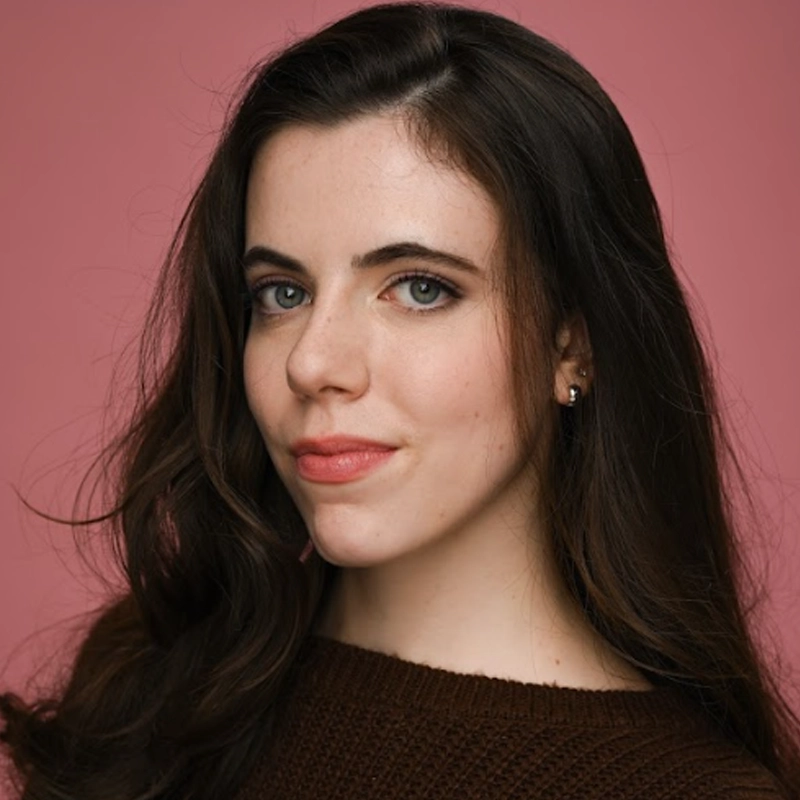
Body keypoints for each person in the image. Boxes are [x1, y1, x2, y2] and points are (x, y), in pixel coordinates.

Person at [1, 2, 798, 798]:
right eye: (281, 293)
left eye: (419, 288)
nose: (312, 362)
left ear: (572, 346)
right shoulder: (151, 684)